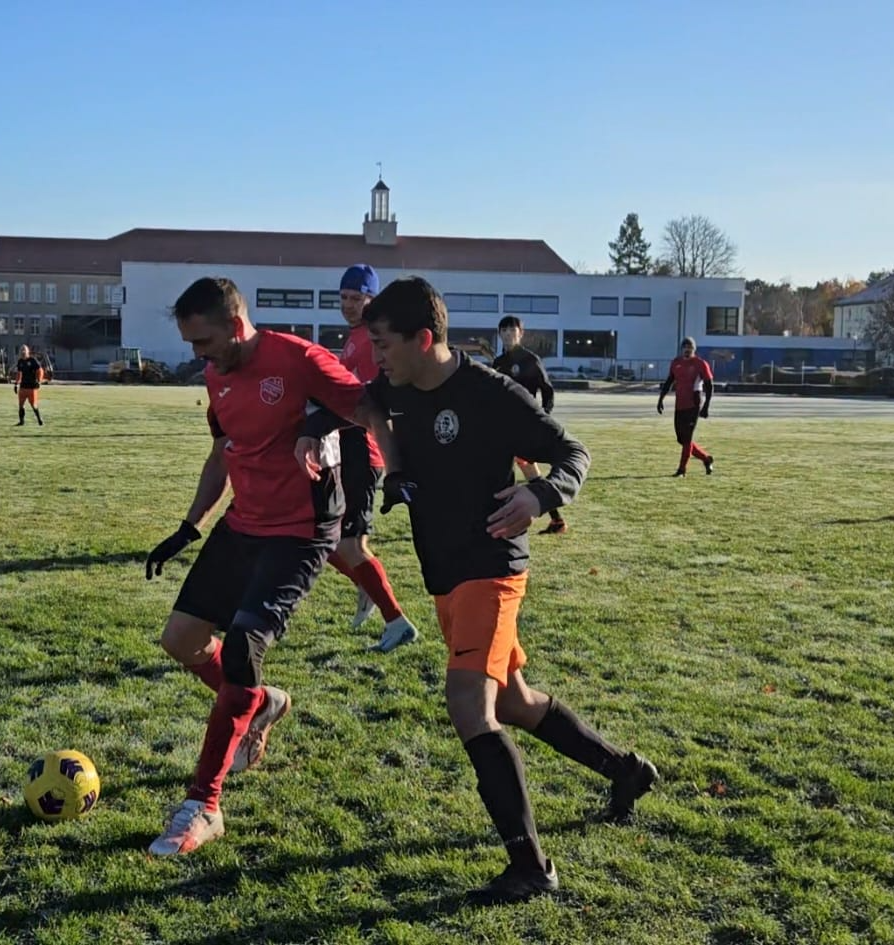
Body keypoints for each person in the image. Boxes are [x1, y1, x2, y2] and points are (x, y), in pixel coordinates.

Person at [348, 276, 660, 903]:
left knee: (470, 705)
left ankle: (531, 867)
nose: (375, 356)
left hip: (493, 566)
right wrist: (392, 464)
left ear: (423, 338)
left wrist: (539, 493)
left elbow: (574, 452)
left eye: (382, 344)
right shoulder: (395, 387)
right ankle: (625, 772)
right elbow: (368, 404)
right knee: (514, 700)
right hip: (444, 570)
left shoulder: (492, 394)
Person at [140, 276, 366, 856]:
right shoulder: (216, 377)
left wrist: (318, 428)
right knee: (181, 639)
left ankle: (204, 804)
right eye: (191, 343)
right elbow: (223, 453)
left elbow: (368, 403)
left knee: (242, 647)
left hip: (302, 531)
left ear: (236, 326)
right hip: (244, 522)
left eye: (205, 341)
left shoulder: (296, 358)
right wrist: (189, 526)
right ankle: (260, 703)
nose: (198, 355)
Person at [328, 264, 419, 652]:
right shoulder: (354, 337)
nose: (349, 305)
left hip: (362, 450)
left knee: (347, 545)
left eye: (357, 298)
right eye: (344, 297)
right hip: (345, 446)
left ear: (371, 299)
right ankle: (367, 585)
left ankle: (397, 622)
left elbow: (373, 396)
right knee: (323, 538)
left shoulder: (371, 339)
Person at [491, 316, 567, 535]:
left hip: (521, 428)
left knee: (529, 473)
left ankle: (553, 520)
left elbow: (547, 389)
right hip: (499, 426)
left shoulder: (529, 360)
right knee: (507, 472)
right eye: (504, 330)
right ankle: (556, 521)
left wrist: (543, 416)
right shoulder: (498, 362)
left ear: (520, 333)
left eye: (512, 329)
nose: (508, 333)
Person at [656, 337, 714, 477]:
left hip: (693, 405)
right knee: (681, 439)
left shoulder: (700, 364)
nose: (687, 350)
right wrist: (661, 399)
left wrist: (706, 406)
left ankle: (682, 470)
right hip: (679, 405)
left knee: (687, 438)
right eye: (685, 348)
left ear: (694, 350)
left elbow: (709, 385)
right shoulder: (676, 363)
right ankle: (706, 459)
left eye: (690, 348)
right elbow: (669, 381)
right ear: (681, 349)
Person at [13, 345, 45, 426]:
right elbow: (19, 374)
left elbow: (40, 370)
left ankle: (39, 420)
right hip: (23, 386)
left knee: (33, 405)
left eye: (24, 350)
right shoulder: (20, 361)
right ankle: (21, 421)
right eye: (21, 350)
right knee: (21, 405)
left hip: (32, 386)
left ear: (28, 351)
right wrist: (16, 384)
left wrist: (39, 381)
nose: (23, 352)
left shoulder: (32, 360)